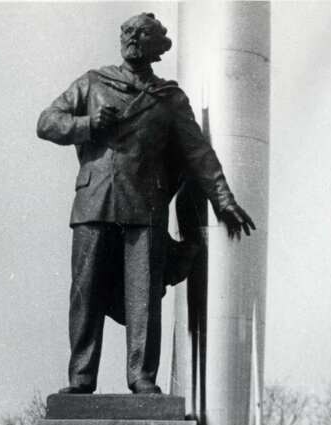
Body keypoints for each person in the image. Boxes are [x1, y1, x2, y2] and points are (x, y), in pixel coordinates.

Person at [36, 12, 255, 396]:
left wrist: (223, 198)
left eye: (142, 34)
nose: (132, 39)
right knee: (85, 292)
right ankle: (81, 377)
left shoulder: (169, 99)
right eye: (128, 33)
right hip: (95, 201)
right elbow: (47, 122)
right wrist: (89, 124)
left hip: (145, 206)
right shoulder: (93, 83)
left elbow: (198, 153)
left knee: (144, 298)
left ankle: (142, 377)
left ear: (157, 48)